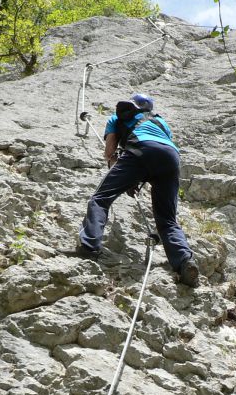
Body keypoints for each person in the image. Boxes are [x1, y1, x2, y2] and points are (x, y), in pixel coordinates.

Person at [77, 93, 199, 288]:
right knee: (167, 220)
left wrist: (128, 179)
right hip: (171, 156)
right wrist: (133, 179)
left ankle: (89, 246)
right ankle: (184, 262)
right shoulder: (160, 122)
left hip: (140, 149)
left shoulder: (117, 117)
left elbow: (109, 154)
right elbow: (157, 152)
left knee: (100, 199)